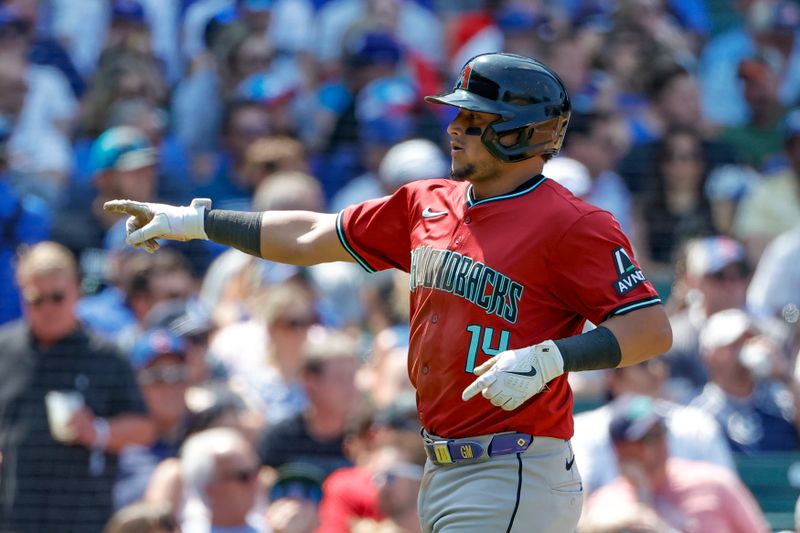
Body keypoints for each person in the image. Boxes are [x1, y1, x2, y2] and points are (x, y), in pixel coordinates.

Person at [105, 52, 673, 533]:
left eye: (473, 118)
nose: (453, 127)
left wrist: (552, 357)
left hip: (514, 466)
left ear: (521, 132)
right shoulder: (426, 202)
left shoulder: (574, 224)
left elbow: (650, 329)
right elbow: (309, 234)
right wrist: (197, 222)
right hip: (441, 464)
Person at [0, 241, 155, 532]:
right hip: (13, 516)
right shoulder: (4, 350)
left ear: (77, 290)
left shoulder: (104, 354)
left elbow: (143, 427)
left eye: (57, 297)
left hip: (82, 517)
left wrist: (97, 431)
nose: (47, 308)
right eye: (36, 299)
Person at [580, 395, 769, 533]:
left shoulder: (714, 482)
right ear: (622, 450)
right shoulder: (607, 504)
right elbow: (586, 526)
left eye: (662, 431)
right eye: (649, 437)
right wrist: (641, 500)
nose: (661, 442)